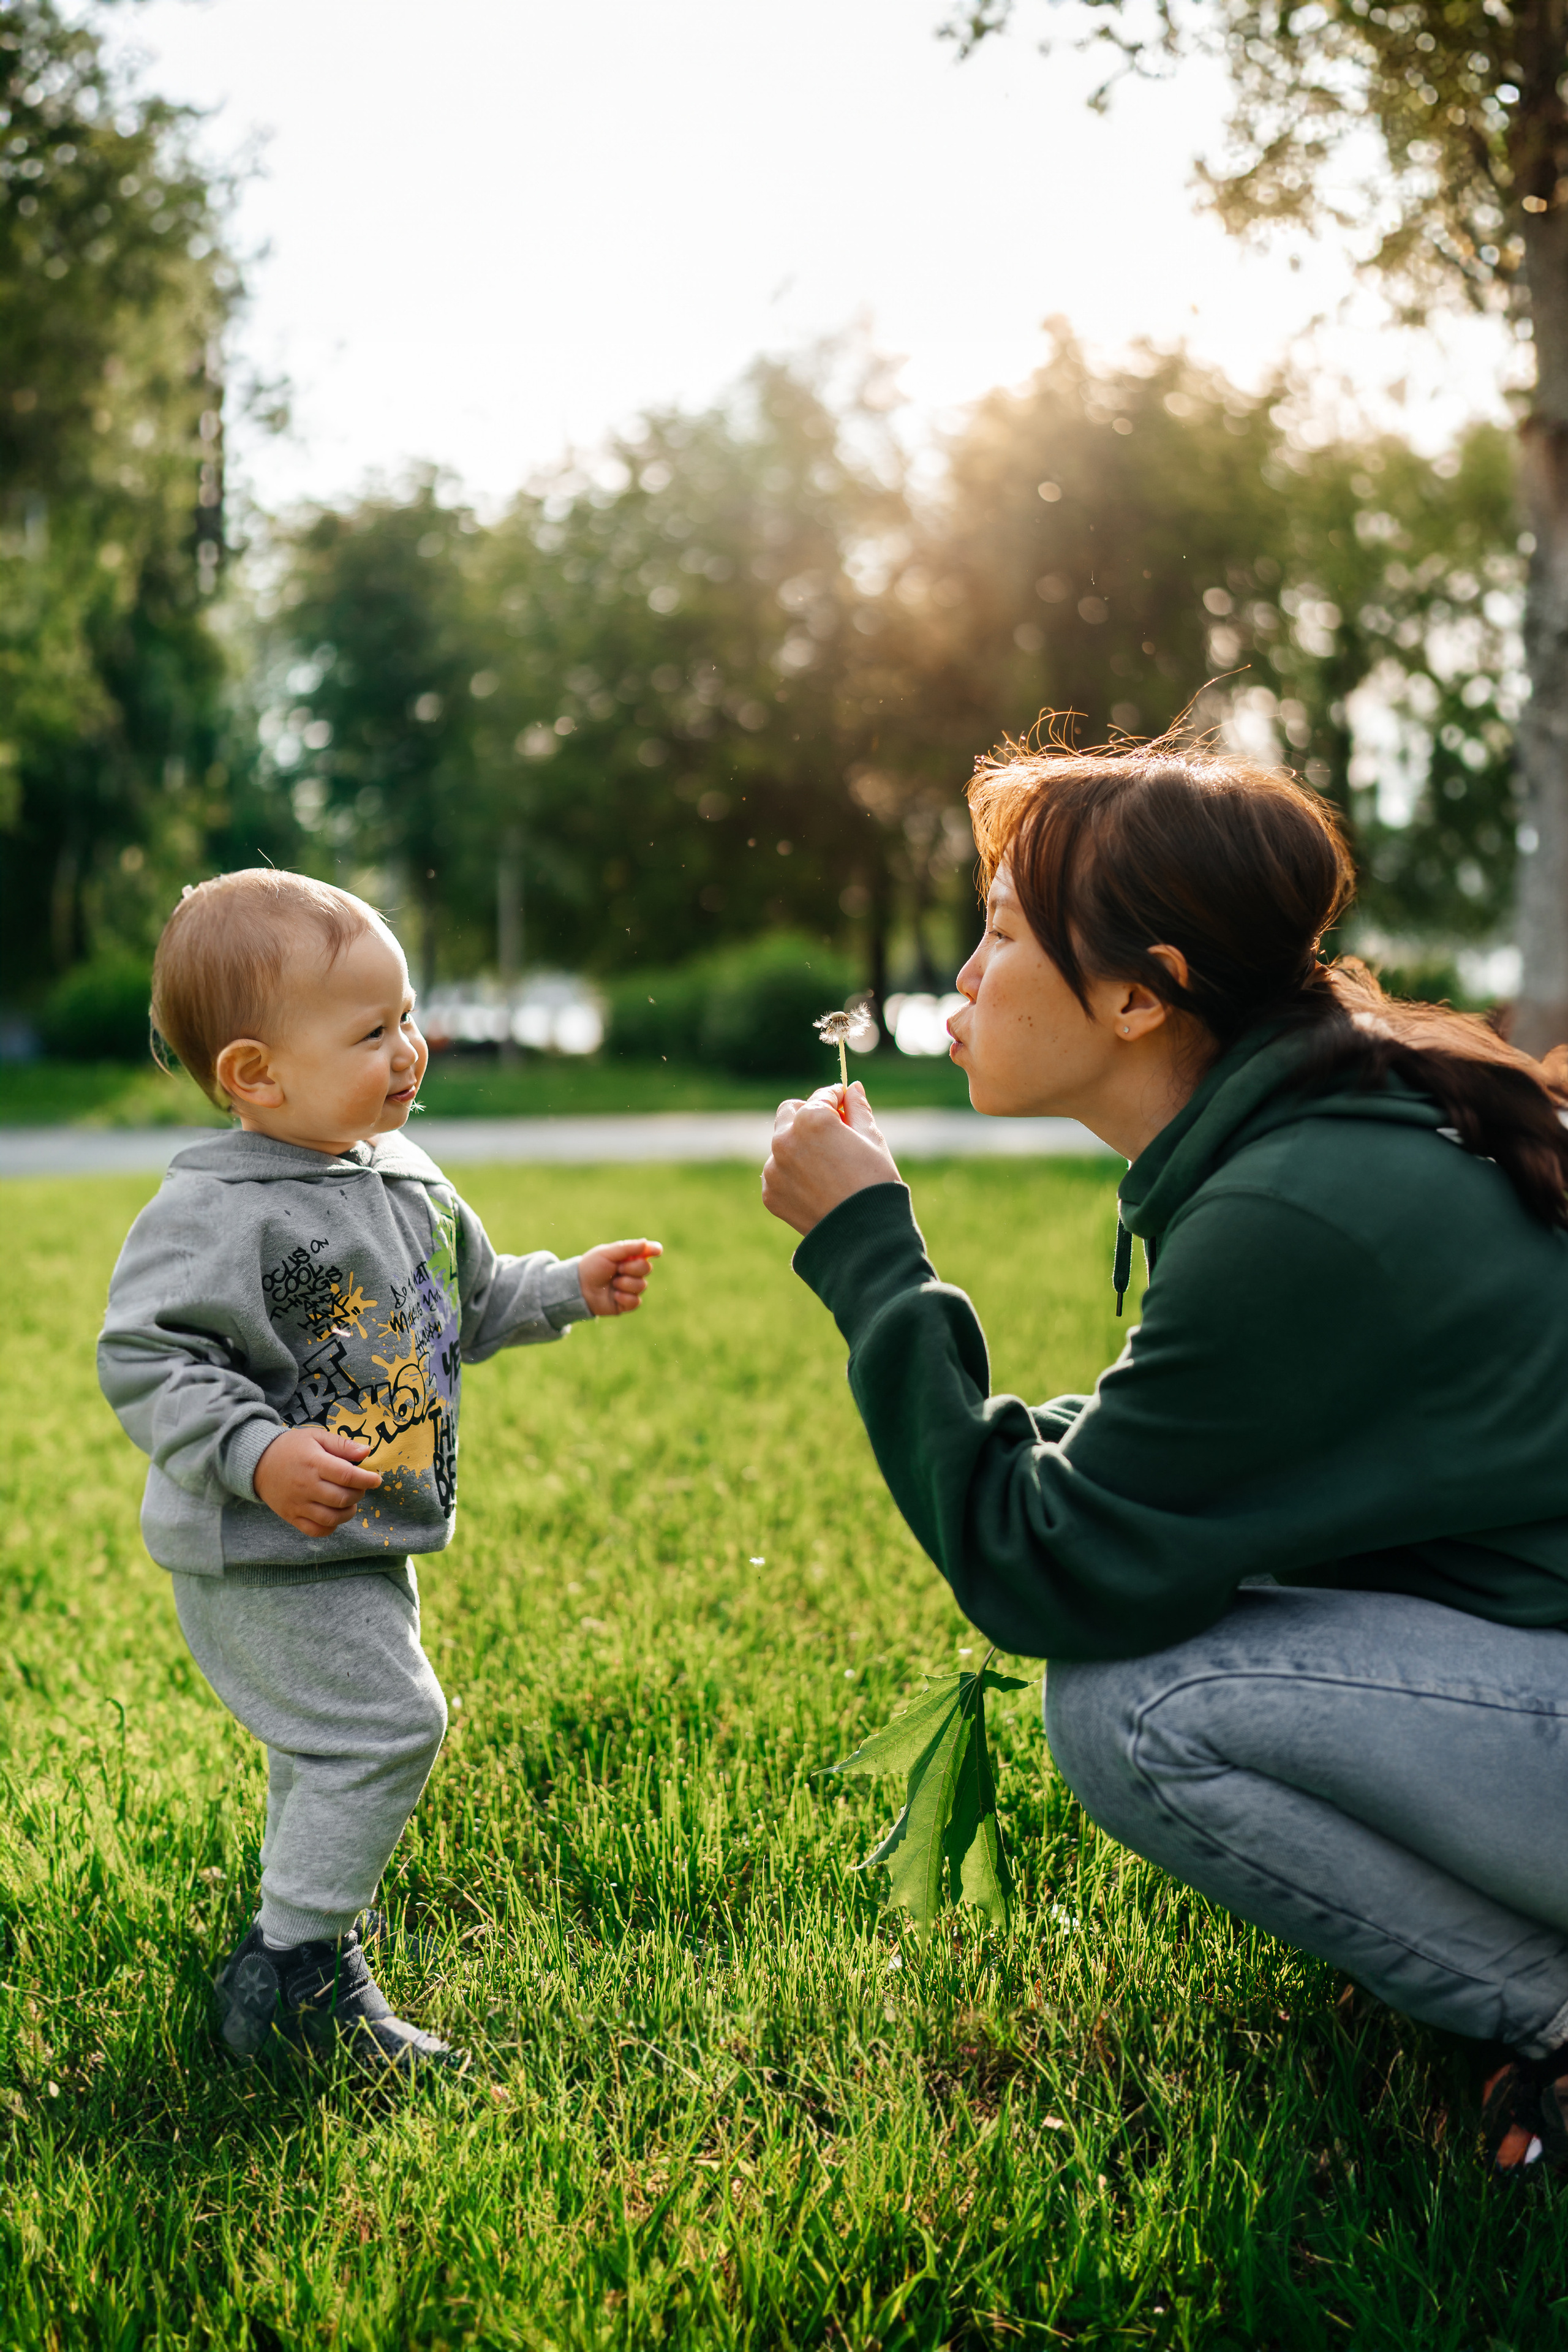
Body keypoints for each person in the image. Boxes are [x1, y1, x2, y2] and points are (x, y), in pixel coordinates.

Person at [762, 737, 1568, 2176]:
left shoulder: (1298, 1204)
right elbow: (1179, 1461)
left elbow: (1046, 1571)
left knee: (1135, 1706)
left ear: (1140, 993)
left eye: (1001, 933)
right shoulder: (1324, 1131)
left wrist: (869, 1258)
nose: (961, 976)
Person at [99, 870, 662, 2074]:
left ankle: (289, 1940)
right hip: (260, 1551)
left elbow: (464, 1302)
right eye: (370, 1031)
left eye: (406, 1016)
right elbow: (148, 1356)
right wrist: (257, 1454)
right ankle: (296, 1974)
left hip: (359, 1540)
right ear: (256, 1074)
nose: (410, 1049)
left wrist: (566, 1289)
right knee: (388, 1726)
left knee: (330, 1743)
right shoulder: (217, 1210)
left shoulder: (402, 1172)